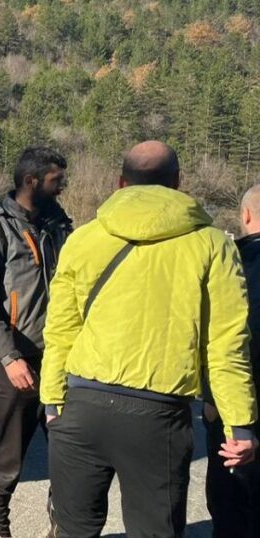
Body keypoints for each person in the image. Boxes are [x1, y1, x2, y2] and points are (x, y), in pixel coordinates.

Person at [42, 141, 258, 537]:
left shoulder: (84, 239)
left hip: (82, 405)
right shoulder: (213, 245)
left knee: (72, 531)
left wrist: (52, 399)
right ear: (178, 182)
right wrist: (238, 425)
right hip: (157, 416)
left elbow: (60, 329)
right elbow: (227, 345)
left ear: (120, 182)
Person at [0, 146, 72, 538]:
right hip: (11, 361)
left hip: (59, 359)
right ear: (31, 181)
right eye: (55, 180)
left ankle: (60, 527)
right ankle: (0, 528)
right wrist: (10, 356)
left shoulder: (61, 225)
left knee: (68, 455)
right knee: (6, 461)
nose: (61, 187)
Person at [205, 184, 260, 537]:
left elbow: (216, 337)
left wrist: (210, 397)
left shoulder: (230, 262)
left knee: (232, 504)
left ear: (246, 216)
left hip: (233, 404)